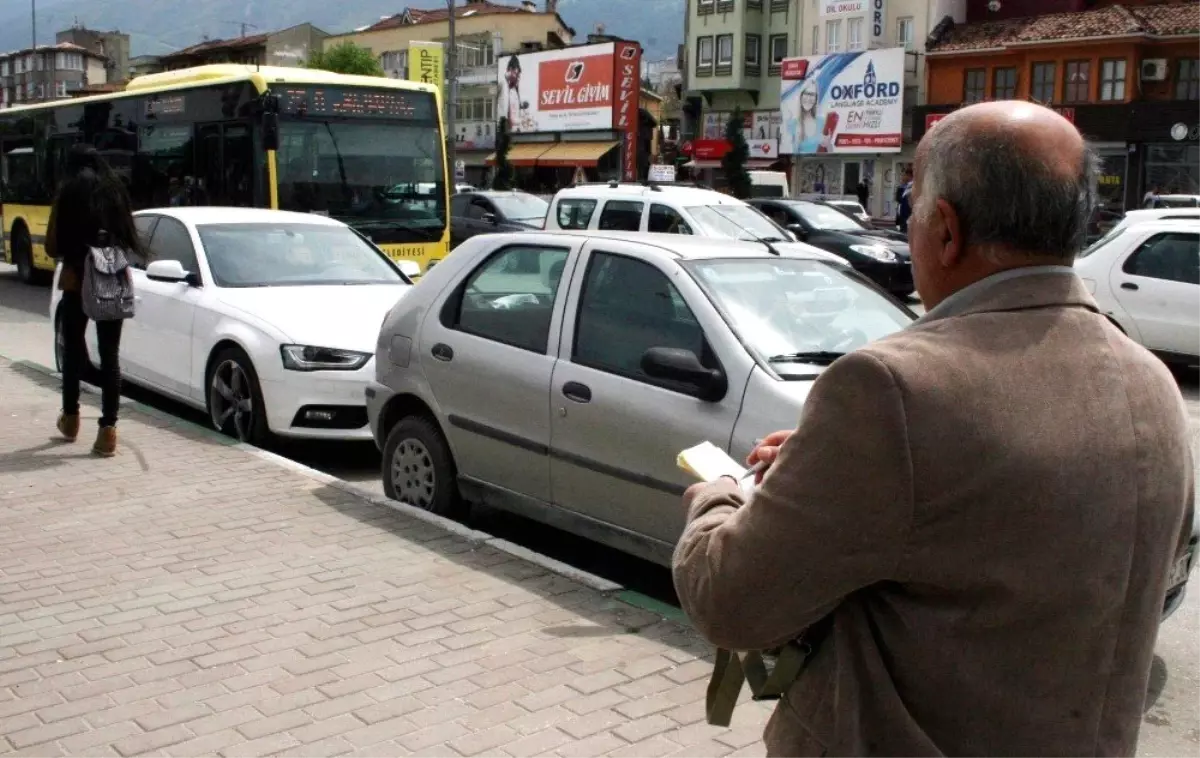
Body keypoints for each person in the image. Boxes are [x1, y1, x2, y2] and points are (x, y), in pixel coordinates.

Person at [672, 101, 1194, 757]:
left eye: (910, 210)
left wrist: (718, 498)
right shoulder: (1152, 384)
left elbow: (730, 601)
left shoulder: (890, 390)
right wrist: (823, 470)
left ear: (945, 230)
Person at [46, 144, 144, 457]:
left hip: (77, 276)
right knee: (110, 354)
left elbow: (53, 245)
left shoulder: (69, 190)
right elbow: (129, 238)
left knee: (73, 348)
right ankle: (108, 431)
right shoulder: (116, 191)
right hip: (111, 276)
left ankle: (71, 418)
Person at [895, 167, 914, 232]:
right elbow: (898, 199)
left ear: (909, 176)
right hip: (901, 218)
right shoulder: (903, 187)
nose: (902, 177)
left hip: (907, 218)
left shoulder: (912, 187)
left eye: (904, 175)